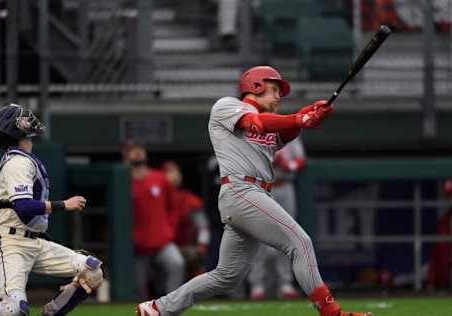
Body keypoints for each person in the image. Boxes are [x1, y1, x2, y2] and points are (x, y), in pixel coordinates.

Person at [136, 65, 372, 316]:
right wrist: (298, 118)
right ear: (256, 86)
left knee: (227, 276)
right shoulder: (226, 106)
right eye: (274, 90)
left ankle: (158, 308)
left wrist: (308, 116)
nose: (279, 96)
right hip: (242, 190)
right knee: (300, 242)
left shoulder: (271, 123)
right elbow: (256, 123)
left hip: (253, 194)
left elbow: (283, 133)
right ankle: (331, 312)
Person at [0, 103, 104, 316]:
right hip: (11, 242)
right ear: (16, 127)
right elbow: (24, 208)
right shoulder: (16, 162)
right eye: (24, 118)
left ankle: (51, 312)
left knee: (92, 271)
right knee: (12, 310)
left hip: (35, 241)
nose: (30, 120)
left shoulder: (24, 159)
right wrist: (64, 204)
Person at [123, 144, 185, 300]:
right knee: (138, 285)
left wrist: (170, 228)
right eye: (133, 151)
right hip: (137, 246)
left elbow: (174, 207)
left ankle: (172, 303)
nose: (137, 153)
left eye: (139, 150)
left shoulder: (160, 178)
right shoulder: (123, 182)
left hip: (162, 241)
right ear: (127, 157)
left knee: (176, 263)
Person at [247, 137, 306, 300]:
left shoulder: (291, 135)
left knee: (288, 234)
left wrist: (287, 164)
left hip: (284, 185)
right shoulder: (255, 133)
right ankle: (257, 285)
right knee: (258, 235)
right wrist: (269, 159)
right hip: (261, 186)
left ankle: (285, 284)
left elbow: (301, 162)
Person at [162, 161, 210, 279]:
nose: (174, 176)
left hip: (186, 247)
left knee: (194, 258)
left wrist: (202, 245)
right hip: (162, 247)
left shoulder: (189, 199)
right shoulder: (156, 198)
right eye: (169, 172)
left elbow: (203, 227)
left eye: (176, 172)